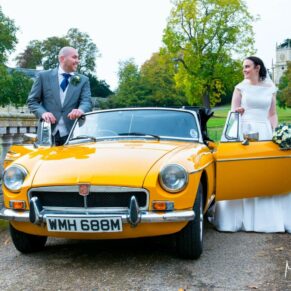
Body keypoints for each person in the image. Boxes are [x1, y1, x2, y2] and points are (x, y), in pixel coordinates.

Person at [213, 56, 291, 233]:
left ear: (257, 67)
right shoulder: (240, 88)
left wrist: (276, 131)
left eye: (247, 67)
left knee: (266, 172)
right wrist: (238, 112)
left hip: (264, 131)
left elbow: (272, 114)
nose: (244, 70)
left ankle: (267, 219)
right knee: (243, 171)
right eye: (243, 67)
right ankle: (237, 218)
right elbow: (233, 112)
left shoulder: (270, 88)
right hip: (244, 130)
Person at [27, 46, 92, 146]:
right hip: (47, 134)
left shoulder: (83, 80)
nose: (78, 61)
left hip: (73, 134)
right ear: (62, 58)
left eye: (78, 58)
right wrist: (43, 113)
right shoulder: (43, 76)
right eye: (74, 57)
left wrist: (81, 110)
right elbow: (32, 101)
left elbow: (86, 101)